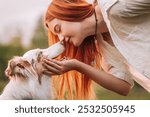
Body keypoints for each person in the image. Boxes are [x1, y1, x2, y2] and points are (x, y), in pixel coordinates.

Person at [41, 0, 148, 100]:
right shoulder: (103, 47)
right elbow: (123, 86)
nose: (61, 39)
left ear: (70, 12)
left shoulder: (115, 7)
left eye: (58, 29)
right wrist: (76, 65)